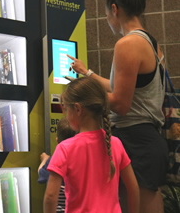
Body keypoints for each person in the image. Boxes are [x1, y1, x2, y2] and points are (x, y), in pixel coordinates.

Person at [67, 0, 169, 212]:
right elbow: (122, 89)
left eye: (106, 15)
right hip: (147, 139)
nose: (108, 21)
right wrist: (87, 74)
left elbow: (121, 104)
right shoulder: (151, 42)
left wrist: (83, 100)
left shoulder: (127, 44)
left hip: (135, 139)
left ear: (115, 9)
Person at [44, 77, 139, 213]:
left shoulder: (65, 148)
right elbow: (133, 188)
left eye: (65, 108)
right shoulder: (116, 143)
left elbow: (50, 196)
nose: (65, 114)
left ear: (77, 109)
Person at [38, 117, 76, 212]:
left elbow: (41, 173)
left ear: (57, 140)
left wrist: (44, 159)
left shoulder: (53, 161)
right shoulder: (81, 160)